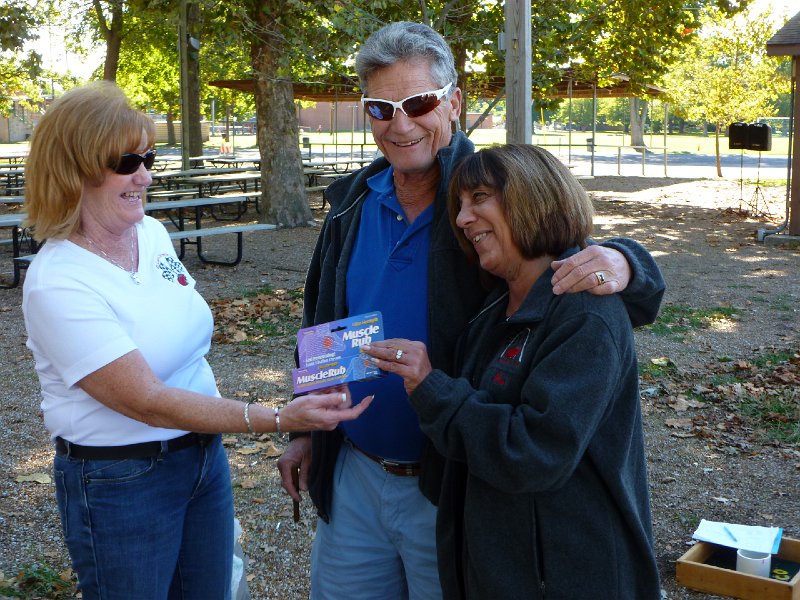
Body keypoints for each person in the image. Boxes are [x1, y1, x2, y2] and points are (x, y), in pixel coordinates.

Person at [276, 21, 665, 599]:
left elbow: (568, 253)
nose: (401, 124)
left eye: (419, 102)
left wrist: (630, 261)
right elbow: (323, 318)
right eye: (382, 108)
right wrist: (308, 423)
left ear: (453, 103)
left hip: (450, 481)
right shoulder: (351, 201)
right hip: (354, 470)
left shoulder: (492, 192)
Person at [20, 81, 371, 600]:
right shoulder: (59, 281)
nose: (144, 173)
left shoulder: (152, 234)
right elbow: (148, 401)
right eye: (125, 161)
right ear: (74, 168)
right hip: (122, 481)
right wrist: (276, 418)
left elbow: (181, 340)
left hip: (202, 457)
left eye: (148, 156)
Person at [362, 143, 662, 599]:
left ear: (534, 197)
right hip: (497, 566)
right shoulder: (496, 305)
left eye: (480, 197)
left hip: (564, 575)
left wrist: (430, 387)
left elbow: (534, 452)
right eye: (460, 205)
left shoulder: (585, 316)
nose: (462, 219)